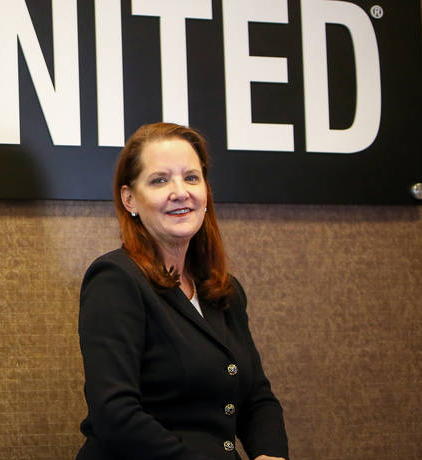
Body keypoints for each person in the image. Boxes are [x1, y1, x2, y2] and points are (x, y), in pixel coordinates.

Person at [77, 122, 288, 460]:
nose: (180, 191)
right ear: (129, 198)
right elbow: (114, 414)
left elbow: (257, 398)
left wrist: (270, 455)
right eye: (160, 180)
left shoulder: (224, 290)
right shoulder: (115, 280)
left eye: (191, 177)